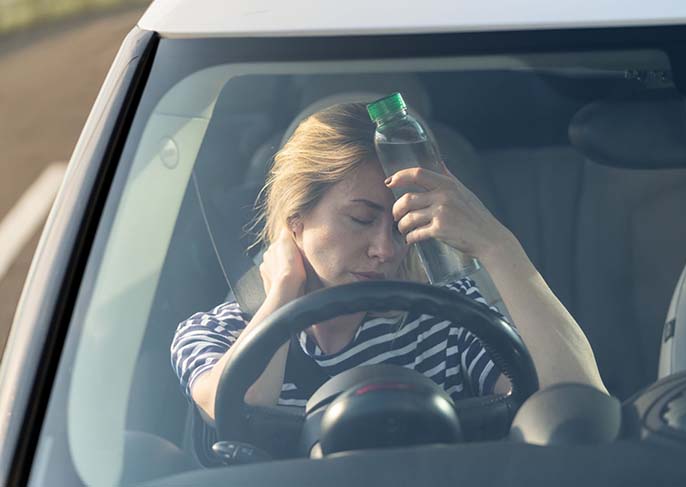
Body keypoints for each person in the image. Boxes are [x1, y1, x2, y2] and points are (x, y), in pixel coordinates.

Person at [171, 102, 606, 427]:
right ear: (296, 221)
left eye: (401, 226)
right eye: (361, 219)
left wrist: (499, 247)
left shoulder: (447, 319)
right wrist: (283, 291)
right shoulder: (216, 333)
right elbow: (238, 407)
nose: (385, 249)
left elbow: (577, 406)